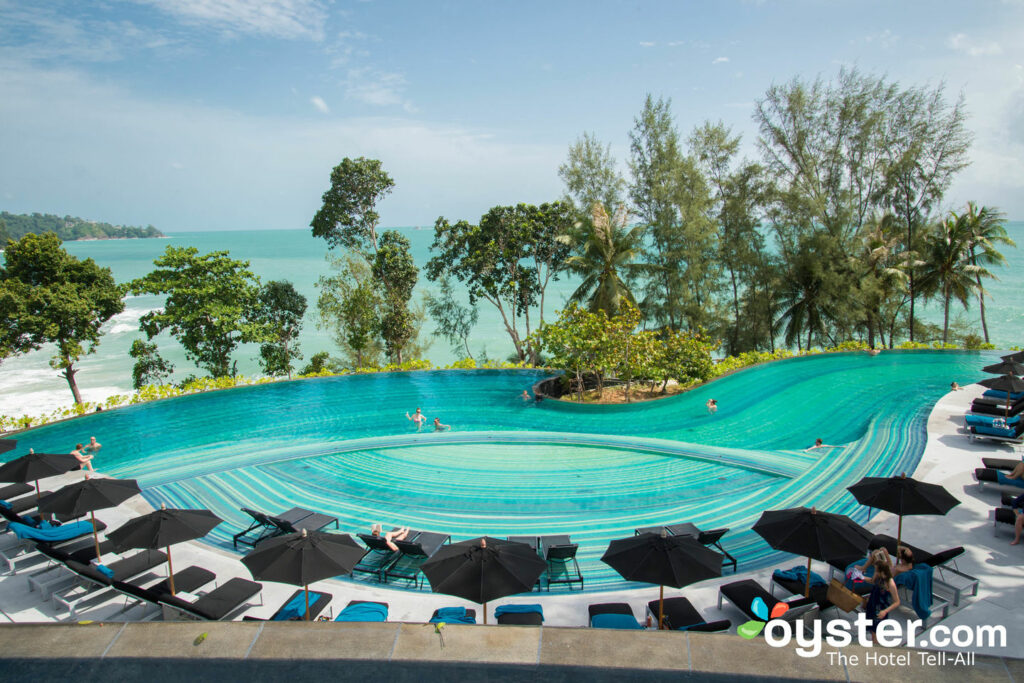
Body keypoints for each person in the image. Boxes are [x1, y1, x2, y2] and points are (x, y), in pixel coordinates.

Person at [864, 561, 900, 642]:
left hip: (880, 610)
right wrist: (860, 577)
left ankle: (877, 649)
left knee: (876, 633)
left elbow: (897, 602)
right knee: (872, 631)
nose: (875, 572)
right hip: (872, 606)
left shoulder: (890, 583)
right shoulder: (878, 577)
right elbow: (872, 581)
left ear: (882, 571)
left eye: (876, 570)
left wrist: (885, 611)